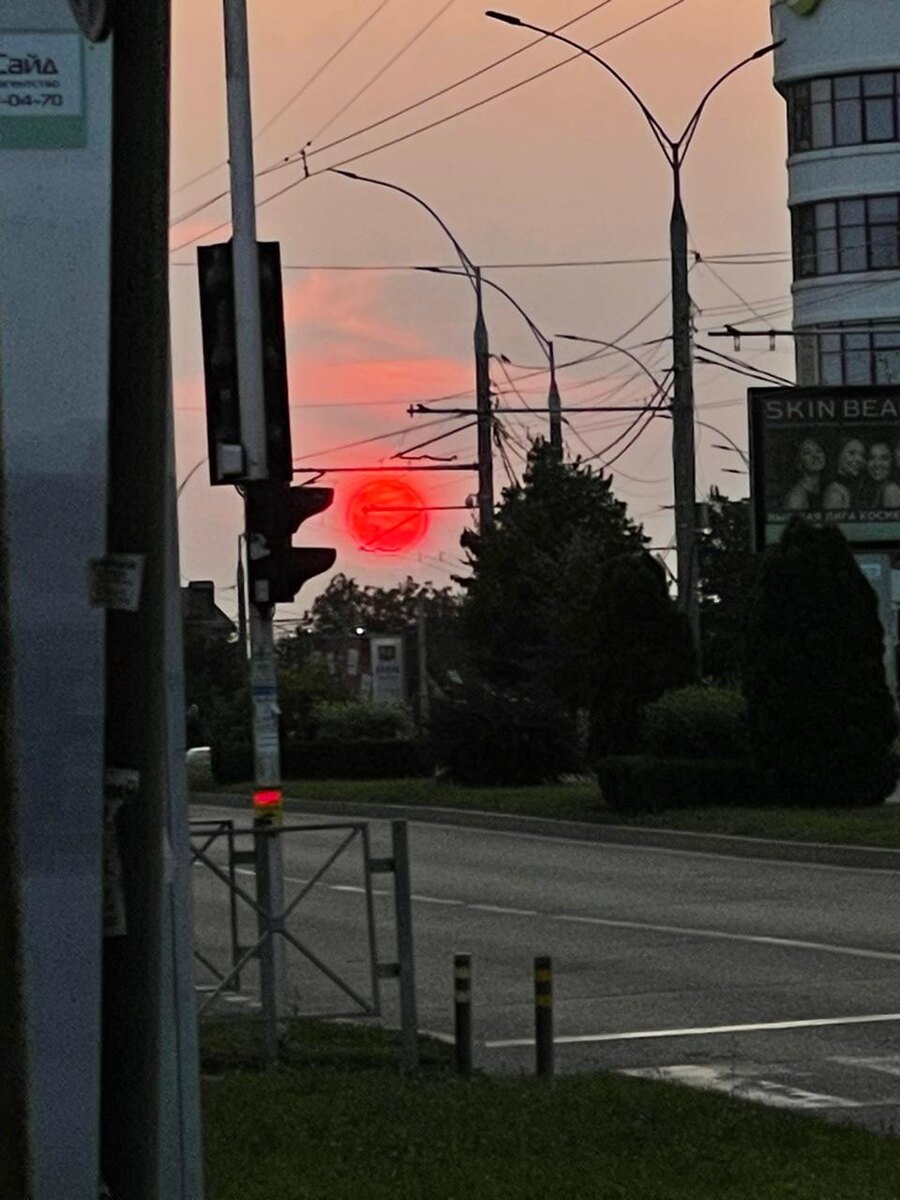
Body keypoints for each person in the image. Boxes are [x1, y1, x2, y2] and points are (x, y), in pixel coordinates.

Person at [822, 437, 866, 511]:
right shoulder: (835, 492)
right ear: (838, 455)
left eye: (862, 455)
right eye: (851, 453)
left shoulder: (854, 487)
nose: (859, 459)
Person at [783, 437, 826, 511]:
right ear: (798, 463)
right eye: (807, 453)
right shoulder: (796, 497)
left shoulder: (824, 488)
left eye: (819, 451)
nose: (815, 456)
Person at [861, 442, 900, 510]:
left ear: (892, 462)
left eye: (884, 458)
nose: (877, 464)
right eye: (871, 458)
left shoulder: (891, 491)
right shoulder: (871, 488)